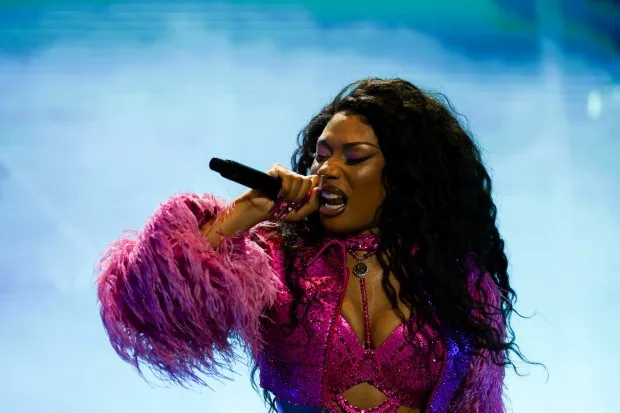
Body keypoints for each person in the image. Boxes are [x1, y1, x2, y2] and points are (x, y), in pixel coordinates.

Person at [97, 78, 524, 413]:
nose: (327, 171)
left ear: (406, 174)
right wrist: (247, 211)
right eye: (321, 157)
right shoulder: (274, 258)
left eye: (354, 158)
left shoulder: (453, 275)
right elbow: (147, 305)